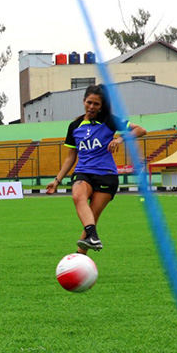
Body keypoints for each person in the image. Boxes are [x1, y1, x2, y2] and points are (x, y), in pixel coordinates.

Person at [46, 84, 146, 253]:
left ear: (102, 105)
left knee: (91, 218)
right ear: (84, 101)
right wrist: (57, 180)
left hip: (106, 176)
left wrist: (120, 140)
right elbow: (71, 156)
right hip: (83, 172)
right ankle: (92, 239)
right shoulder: (74, 126)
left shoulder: (109, 120)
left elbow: (141, 130)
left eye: (96, 104)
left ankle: (80, 257)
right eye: (89, 102)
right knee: (78, 197)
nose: (91, 107)